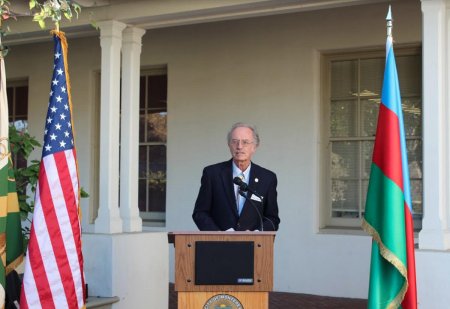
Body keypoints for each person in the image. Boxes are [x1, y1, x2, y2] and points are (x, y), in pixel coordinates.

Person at [193, 122, 280, 231]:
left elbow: (272, 219)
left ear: (255, 147)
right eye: (235, 142)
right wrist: (219, 235)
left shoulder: (267, 178)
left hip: (254, 245)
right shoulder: (212, 174)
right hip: (218, 245)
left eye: (245, 142)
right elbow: (200, 213)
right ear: (229, 145)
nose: (239, 146)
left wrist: (258, 234)